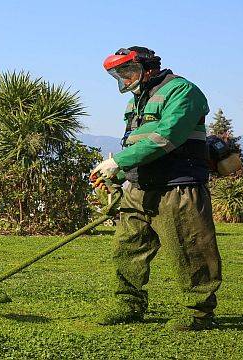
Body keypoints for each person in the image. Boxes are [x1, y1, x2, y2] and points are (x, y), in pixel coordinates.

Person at [90, 46, 222, 331]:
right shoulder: (135, 102)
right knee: (128, 249)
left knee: (190, 250)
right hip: (139, 188)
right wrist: (118, 173)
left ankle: (198, 313)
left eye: (127, 71)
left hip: (179, 186)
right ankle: (128, 304)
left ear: (147, 67)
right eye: (118, 74)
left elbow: (167, 136)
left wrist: (118, 162)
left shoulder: (182, 91)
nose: (123, 79)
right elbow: (138, 145)